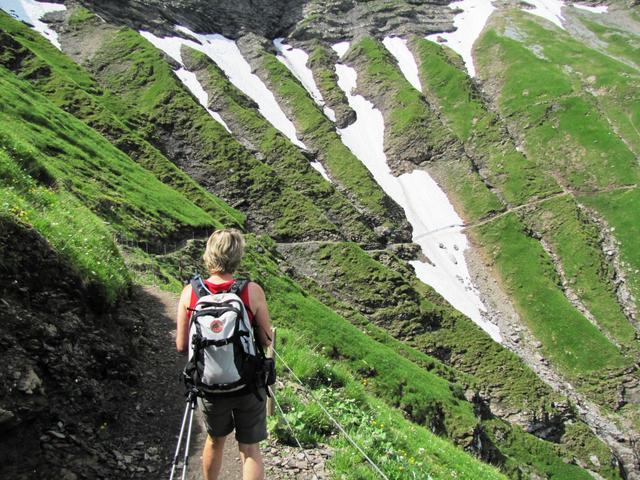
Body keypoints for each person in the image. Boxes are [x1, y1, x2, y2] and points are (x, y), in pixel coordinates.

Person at [176, 229, 273, 480]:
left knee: (215, 440)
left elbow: (180, 344)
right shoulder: (251, 291)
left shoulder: (190, 293)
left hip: (209, 384)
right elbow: (266, 340)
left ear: (209, 254)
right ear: (237, 255)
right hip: (247, 383)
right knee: (250, 448)